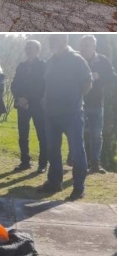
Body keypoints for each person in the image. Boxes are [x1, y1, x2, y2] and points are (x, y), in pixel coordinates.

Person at [38, 34, 93, 201]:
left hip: (72, 114)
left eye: (55, 40)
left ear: (64, 41)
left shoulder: (77, 60)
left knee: (77, 152)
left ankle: (78, 188)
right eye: (50, 40)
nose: (52, 43)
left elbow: (87, 84)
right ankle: (54, 182)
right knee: (53, 150)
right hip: (51, 114)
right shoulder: (50, 61)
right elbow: (45, 84)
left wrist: (74, 101)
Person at [77, 35, 115, 174]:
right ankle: (75, 161)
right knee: (76, 134)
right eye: (83, 45)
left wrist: (99, 75)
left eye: (88, 45)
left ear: (94, 46)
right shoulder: (76, 60)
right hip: (77, 103)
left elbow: (113, 77)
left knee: (96, 135)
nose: (85, 47)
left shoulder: (102, 60)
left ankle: (95, 165)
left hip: (97, 104)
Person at [11, 39, 48, 172]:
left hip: (37, 105)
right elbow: (14, 84)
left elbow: (42, 86)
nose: (28, 50)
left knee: (42, 135)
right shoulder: (21, 66)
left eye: (31, 47)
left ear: (38, 50)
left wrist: (27, 98)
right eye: (27, 47)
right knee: (23, 135)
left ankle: (43, 164)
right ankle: (25, 162)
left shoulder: (43, 65)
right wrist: (19, 98)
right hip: (22, 105)